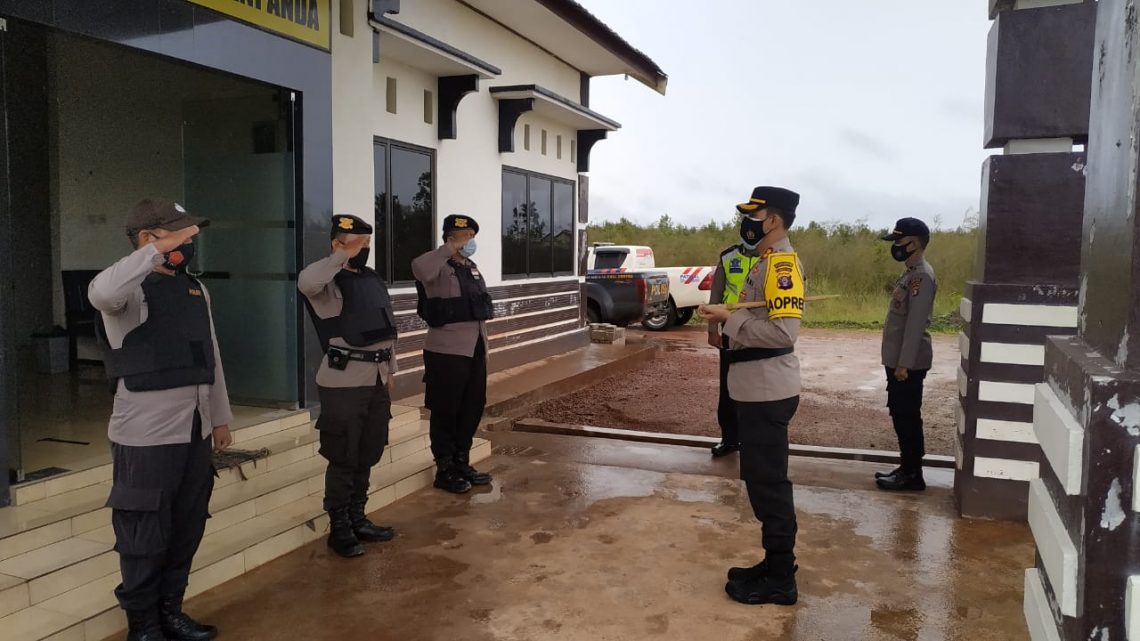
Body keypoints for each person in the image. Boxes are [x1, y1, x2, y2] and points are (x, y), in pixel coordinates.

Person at [89, 199, 232, 641]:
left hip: (195, 427)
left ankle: (171, 610)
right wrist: (150, 255)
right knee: (143, 533)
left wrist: (220, 418)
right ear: (150, 238)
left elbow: (211, 356)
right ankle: (144, 625)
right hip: (146, 434)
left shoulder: (194, 289)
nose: (193, 241)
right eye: (183, 234)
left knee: (187, 524)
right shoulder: (128, 290)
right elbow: (101, 294)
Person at [698, 186, 805, 607]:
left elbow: (783, 333)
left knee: (769, 483)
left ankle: (781, 578)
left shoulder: (781, 265)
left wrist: (730, 318)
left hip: (767, 388)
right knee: (760, 480)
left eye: (754, 215)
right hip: (756, 386)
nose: (747, 222)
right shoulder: (764, 261)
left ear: (773, 221)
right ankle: (775, 561)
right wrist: (732, 318)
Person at [298, 214, 398, 558]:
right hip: (343, 381)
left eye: (367, 243)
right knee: (344, 454)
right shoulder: (324, 279)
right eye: (357, 243)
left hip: (376, 378)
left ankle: (358, 517)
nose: (364, 250)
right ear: (336, 243)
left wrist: (391, 372)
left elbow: (387, 328)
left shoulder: (371, 279)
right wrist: (342, 255)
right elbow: (306, 283)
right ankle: (339, 526)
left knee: (369, 450)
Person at [411, 214, 494, 494]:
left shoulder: (471, 267)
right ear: (450, 237)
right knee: (446, 409)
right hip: (446, 351)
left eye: (471, 235)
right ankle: (444, 467)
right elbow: (419, 269)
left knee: (472, 406)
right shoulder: (435, 264)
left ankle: (462, 461)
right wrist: (448, 249)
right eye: (463, 236)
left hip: (475, 348)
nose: (469, 241)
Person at [874, 217, 936, 492]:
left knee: (907, 416)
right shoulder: (910, 273)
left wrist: (904, 365)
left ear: (914, 243)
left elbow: (915, 324)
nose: (896, 246)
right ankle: (906, 467)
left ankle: (913, 474)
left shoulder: (921, 276)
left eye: (899, 241)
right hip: (900, 360)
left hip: (907, 363)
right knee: (901, 414)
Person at [706, 232, 764, 457]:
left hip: (759, 332)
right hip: (730, 331)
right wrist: (712, 330)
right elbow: (716, 296)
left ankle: (754, 441)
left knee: (758, 387)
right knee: (728, 387)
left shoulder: (772, 257)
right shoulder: (728, 257)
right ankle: (729, 439)